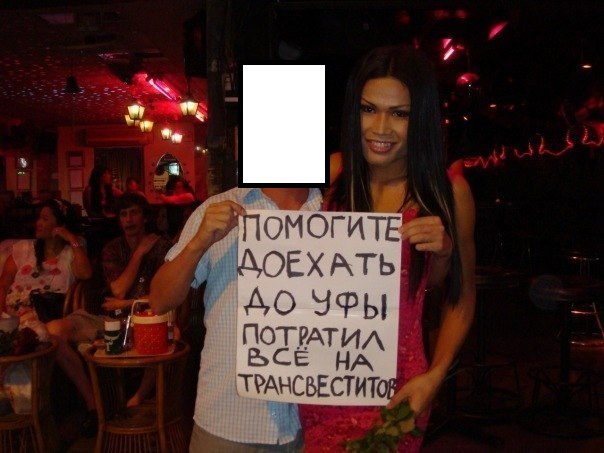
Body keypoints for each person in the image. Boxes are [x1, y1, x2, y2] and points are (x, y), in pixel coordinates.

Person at [298, 45, 476, 452]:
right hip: (320, 377)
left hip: (400, 391)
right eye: (368, 109)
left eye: (399, 114)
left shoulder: (449, 194)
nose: (380, 128)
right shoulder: (332, 175)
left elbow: (461, 297)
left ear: (421, 119)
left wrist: (435, 376)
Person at [150, 187, 322, 452]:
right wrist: (198, 243)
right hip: (228, 423)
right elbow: (160, 300)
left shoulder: (336, 209)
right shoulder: (218, 208)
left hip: (313, 425)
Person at [46, 193, 173, 434]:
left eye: (134, 213)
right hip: (107, 318)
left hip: (147, 317)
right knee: (53, 330)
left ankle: (136, 400)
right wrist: (139, 254)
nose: (129, 219)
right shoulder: (113, 248)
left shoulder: (163, 247)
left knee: (164, 333)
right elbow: (118, 288)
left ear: (145, 217)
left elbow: (165, 294)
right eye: (124, 214)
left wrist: (128, 303)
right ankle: (92, 403)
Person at [0, 199, 96, 434]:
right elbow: (3, 286)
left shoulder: (71, 252)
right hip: (10, 315)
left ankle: (34, 413)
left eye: (45, 219)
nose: (38, 223)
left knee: (39, 336)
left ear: (59, 225)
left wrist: (71, 238)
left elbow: (86, 274)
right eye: (39, 218)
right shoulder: (23, 249)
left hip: (44, 315)